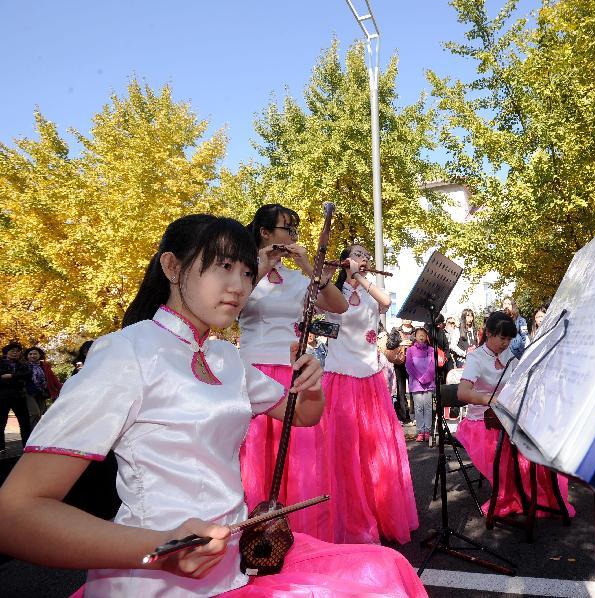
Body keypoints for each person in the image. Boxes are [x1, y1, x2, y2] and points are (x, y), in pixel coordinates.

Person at [0, 215, 426, 597]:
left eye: (245, 270)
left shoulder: (226, 358)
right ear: (172, 267)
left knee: (386, 570)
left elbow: (305, 417)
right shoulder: (127, 352)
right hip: (154, 580)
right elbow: (14, 515)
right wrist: (161, 547)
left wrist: (310, 387)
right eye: (224, 267)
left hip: (236, 565)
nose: (239, 286)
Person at [238, 203, 349, 539]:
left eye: (296, 231)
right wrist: (259, 264)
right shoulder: (240, 271)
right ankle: (252, 540)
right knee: (255, 460)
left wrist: (307, 264)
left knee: (299, 460)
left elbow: (338, 307)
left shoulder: (296, 278)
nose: (294, 236)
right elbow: (232, 306)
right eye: (289, 229)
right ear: (266, 233)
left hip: (292, 368)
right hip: (252, 370)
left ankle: (298, 538)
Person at [317, 244, 418, 545]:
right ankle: (348, 519)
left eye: (366, 255)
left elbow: (387, 301)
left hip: (370, 379)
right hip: (340, 378)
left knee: (376, 449)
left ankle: (378, 511)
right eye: (358, 254)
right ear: (346, 259)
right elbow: (316, 309)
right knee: (344, 451)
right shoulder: (334, 295)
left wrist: (361, 278)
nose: (365, 259)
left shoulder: (373, 292)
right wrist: (331, 272)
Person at [456, 311, 575, 519]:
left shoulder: (508, 355)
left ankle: (537, 493)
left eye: (509, 339)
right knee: (507, 451)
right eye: (502, 338)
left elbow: (518, 382)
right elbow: (463, 393)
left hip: (507, 417)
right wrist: (490, 400)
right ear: (489, 334)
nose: (506, 343)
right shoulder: (476, 358)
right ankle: (513, 494)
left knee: (535, 444)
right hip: (482, 422)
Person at [0, 342, 32, 455]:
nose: (15, 353)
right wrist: (16, 378)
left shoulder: (22, 364)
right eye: (12, 350)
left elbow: (27, 375)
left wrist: (11, 376)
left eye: (17, 351)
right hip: (2, 396)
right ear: (6, 352)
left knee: (25, 422)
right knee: (1, 422)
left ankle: (27, 446)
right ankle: (1, 448)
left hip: (19, 396)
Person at [405, 327, 435, 442]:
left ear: (426, 336)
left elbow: (433, 366)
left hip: (428, 383)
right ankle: (420, 431)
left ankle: (427, 431)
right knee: (418, 408)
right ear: (415, 337)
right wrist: (420, 378)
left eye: (423, 334)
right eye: (419, 334)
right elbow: (409, 366)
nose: (421, 336)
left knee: (427, 407)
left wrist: (426, 378)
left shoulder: (431, 350)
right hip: (416, 383)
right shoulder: (410, 350)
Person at [23, 346, 62, 414]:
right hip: (28, 393)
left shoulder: (45, 365)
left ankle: (35, 425)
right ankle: (32, 425)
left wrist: (62, 388)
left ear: (39, 355)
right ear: (27, 356)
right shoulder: (23, 366)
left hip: (41, 392)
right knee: (35, 413)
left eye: (35, 354)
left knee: (41, 413)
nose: (32, 356)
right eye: (30, 354)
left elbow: (53, 378)